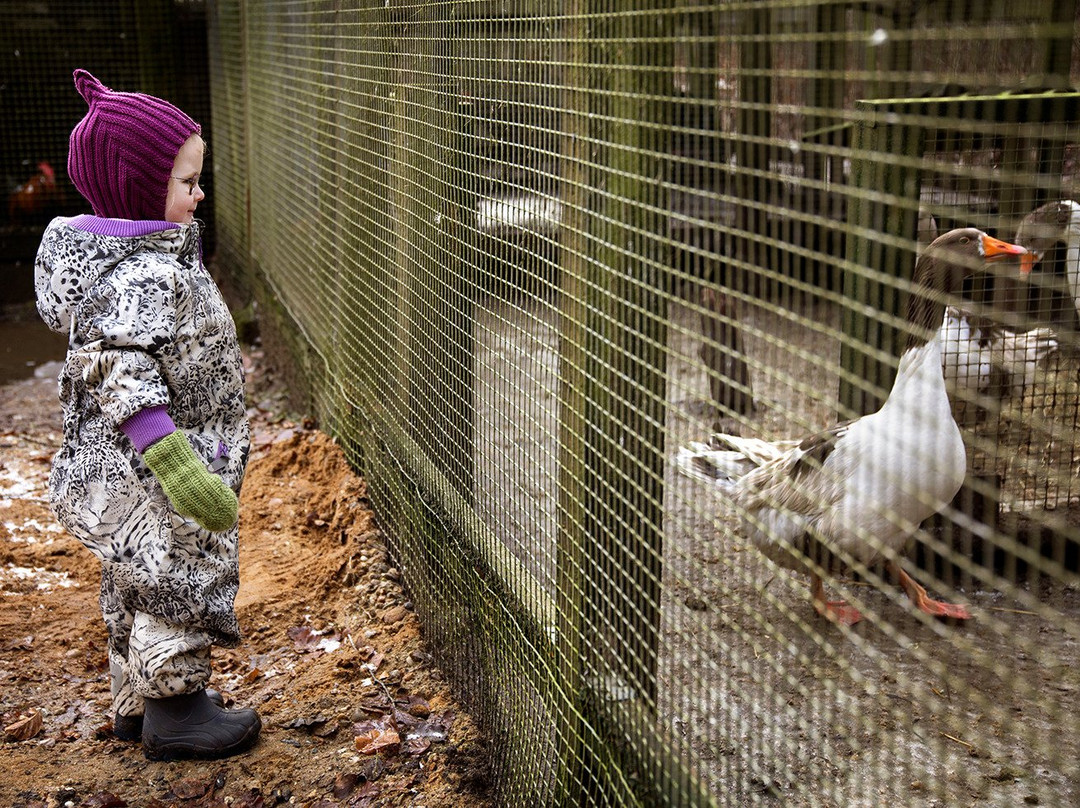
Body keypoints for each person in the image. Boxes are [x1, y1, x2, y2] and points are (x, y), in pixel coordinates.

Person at [34, 69, 261, 761]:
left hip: (129, 471)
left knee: (132, 578)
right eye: (187, 182)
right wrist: (173, 460)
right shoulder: (140, 272)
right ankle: (178, 711)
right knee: (176, 574)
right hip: (159, 465)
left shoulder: (139, 256)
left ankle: (138, 703)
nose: (200, 193)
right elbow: (118, 365)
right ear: (140, 189)